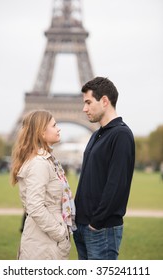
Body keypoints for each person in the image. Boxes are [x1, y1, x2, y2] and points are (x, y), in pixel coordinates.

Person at [73, 77, 135, 260]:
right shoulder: (96, 136)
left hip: (101, 230)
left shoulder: (121, 135)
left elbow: (116, 185)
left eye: (88, 102)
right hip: (84, 227)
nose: (84, 109)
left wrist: (96, 223)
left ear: (105, 101)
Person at [10, 110, 76, 260]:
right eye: (54, 125)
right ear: (41, 132)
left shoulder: (46, 160)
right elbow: (35, 206)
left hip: (45, 239)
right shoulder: (39, 163)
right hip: (44, 241)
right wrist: (60, 233)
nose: (58, 128)